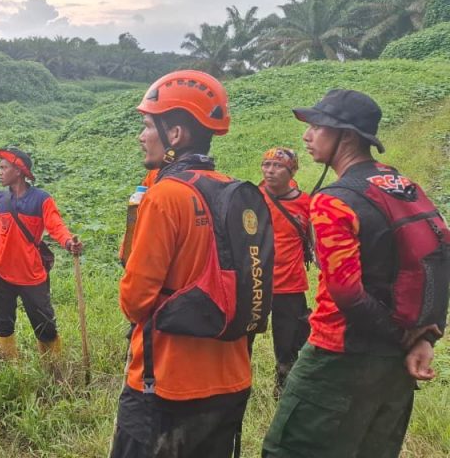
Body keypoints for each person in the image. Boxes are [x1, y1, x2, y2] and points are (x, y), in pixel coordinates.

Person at [263, 89, 445, 458]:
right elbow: (436, 259)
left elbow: (345, 292)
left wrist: (401, 337)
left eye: (317, 127)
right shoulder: (403, 186)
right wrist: (419, 337)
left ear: (345, 135)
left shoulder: (335, 200)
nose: (306, 136)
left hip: (338, 356)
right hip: (396, 366)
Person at [112, 70, 251, 458]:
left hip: (167, 385)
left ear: (175, 135)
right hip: (232, 379)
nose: (142, 136)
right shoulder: (233, 189)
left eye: (147, 125)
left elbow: (136, 302)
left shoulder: (165, 196)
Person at [0, 147, 82, 360]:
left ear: (19, 171)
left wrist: (68, 242)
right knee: (2, 321)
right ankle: (10, 364)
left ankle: (53, 367)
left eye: (4, 167)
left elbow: (55, 224)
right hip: (0, 272)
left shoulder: (41, 199)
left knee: (44, 323)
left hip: (31, 274)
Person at [257, 147, 311, 397]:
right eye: (266, 165)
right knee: (240, 337)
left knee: (289, 344)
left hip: (289, 284)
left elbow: (316, 242)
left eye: (277, 166)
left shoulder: (306, 203)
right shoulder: (253, 197)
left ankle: (284, 389)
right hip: (255, 281)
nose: (270, 171)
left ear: (292, 171)